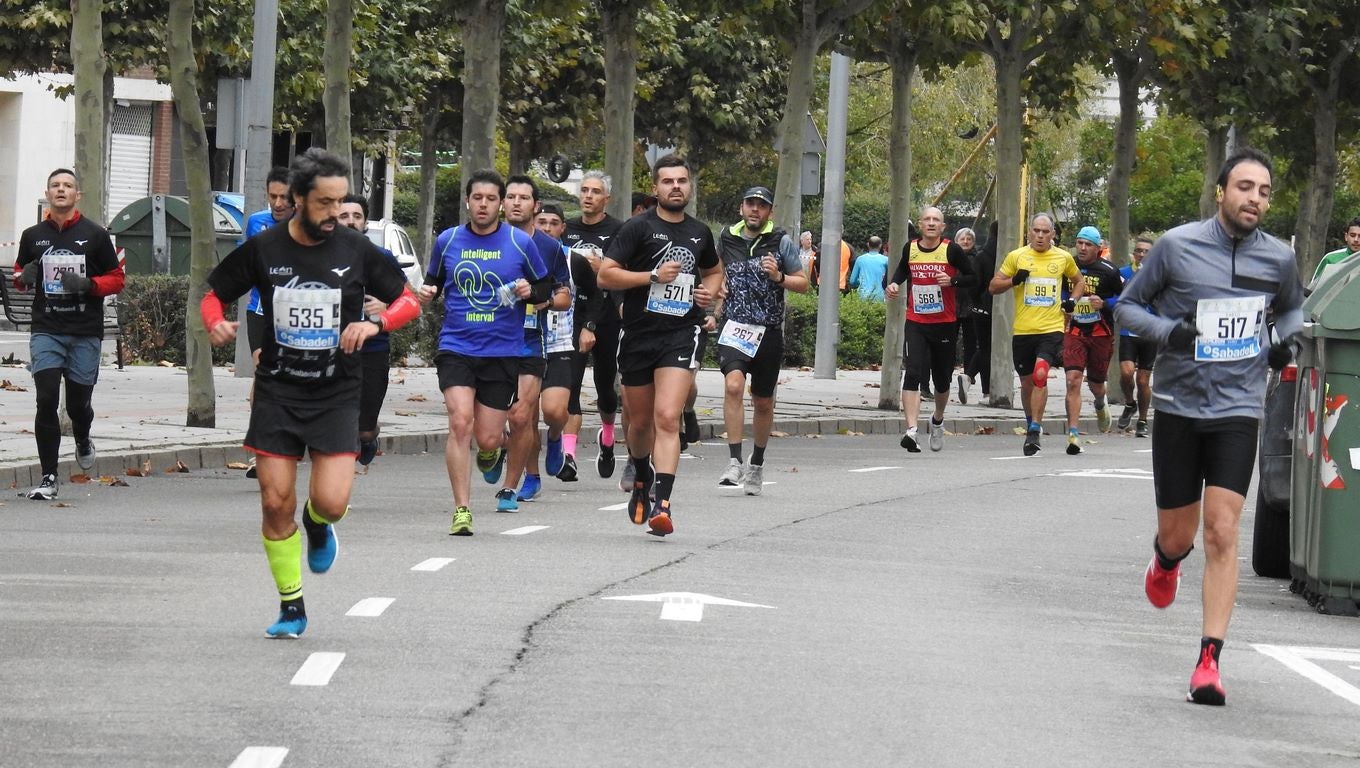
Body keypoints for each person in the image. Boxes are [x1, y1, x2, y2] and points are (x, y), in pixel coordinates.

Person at [202, 148, 420, 638]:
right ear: (298, 199)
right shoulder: (266, 248)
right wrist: (215, 323)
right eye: (325, 203)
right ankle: (291, 605)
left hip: (337, 392)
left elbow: (408, 299)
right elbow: (213, 291)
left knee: (333, 501)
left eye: (342, 203)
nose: (335, 214)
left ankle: (319, 523)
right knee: (275, 502)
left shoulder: (357, 249)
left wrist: (376, 322)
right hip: (279, 391)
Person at [1116, 148, 1303, 705]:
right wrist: (1171, 334)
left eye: (1264, 191)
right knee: (1182, 535)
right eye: (1244, 187)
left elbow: (1292, 309)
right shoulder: (1175, 246)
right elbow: (1127, 308)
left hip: (1239, 409)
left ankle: (1208, 661)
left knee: (1223, 531)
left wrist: (1283, 341)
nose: (1254, 199)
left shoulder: (1279, 259)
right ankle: (1166, 559)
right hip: (1177, 404)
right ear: (1221, 191)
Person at [418, 169, 549, 536]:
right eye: (478, 198)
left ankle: (492, 452)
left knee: (488, 438)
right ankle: (462, 509)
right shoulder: (448, 240)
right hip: (456, 346)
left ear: (502, 204)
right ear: (468, 201)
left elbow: (544, 288)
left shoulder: (520, 242)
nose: (484, 205)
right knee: (460, 422)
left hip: (502, 352)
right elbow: (433, 283)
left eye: (492, 199)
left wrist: (529, 292)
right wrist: (427, 293)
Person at [597, 154, 721, 536]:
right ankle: (640, 474)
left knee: (667, 417)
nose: (676, 187)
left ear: (690, 186)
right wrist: (651, 275)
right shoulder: (637, 228)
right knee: (638, 424)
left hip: (680, 334)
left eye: (682, 181)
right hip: (637, 336)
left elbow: (714, 271)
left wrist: (709, 295)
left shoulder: (700, 232)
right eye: (668, 181)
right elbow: (605, 275)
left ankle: (663, 505)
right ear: (656, 188)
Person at [11, 168, 125, 500]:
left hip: (84, 331)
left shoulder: (95, 235)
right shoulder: (33, 235)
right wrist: (26, 275)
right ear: (47, 194)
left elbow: (117, 279)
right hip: (47, 328)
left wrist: (89, 285)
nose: (61, 190)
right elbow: (20, 276)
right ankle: (48, 477)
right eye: (55, 186)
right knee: (45, 399)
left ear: (78, 195)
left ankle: (83, 436)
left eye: (68, 186)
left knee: (78, 406)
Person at [713, 186, 809, 493]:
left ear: (770, 211)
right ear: (741, 207)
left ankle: (756, 463)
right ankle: (733, 461)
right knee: (733, 385)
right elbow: (713, 273)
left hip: (767, 331)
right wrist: (717, 292)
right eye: (750, 204)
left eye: (761, 205)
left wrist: (779, 277)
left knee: (763, 402)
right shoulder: (726, 237)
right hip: (734, 328)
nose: (755, 209)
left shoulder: (780, 241)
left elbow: (803, 283)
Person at [496, 175, 571, 512]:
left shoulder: (549, 247)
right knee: (493, 421)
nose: (515, 203)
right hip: (487, 339)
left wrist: (544, 301)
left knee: (524, 415)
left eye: (523, 198)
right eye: (509, 197)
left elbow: (564, 295)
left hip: (531, 338)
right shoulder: (483, 239)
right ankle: (493, 448)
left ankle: (523, 481)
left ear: (534, 205)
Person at [988, 213, 1084, 456]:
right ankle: (1031, 420)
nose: (1040, 236)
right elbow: (993, 287)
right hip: (1022, 330)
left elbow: (1079, 282)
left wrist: (1072, 301)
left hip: (1050, 330)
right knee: (1027, 383)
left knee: (1041, 373)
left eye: (1045, 232)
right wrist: (1013, 280)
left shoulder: (1062, 258)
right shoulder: (1016, 257)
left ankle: (1034, 428)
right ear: (1029, 232)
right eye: (1036, 231)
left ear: (1053, 234)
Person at [885, 206, 976, 453]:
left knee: (942, 380)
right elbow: (904, 268)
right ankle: (911, 431)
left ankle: (937, 419)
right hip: (916, 321)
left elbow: (972, 276)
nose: (932, 223)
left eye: (936, 220)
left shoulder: (952, 250)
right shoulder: (911, 248)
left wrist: (953, 280)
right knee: (913, 372)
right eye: (927, 219)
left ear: (943, 227)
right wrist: (894, 283)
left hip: (944, 323)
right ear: (920, 224)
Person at [563, 170, 625, 483]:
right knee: (571, 384)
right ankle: (569, 457)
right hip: (573, 316)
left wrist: (604, 269)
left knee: (605, 389)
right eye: (584, 190)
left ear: (606, 198)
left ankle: (608, 436)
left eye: (595, 191)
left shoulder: (618, 230)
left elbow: (623, 274)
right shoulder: (567, 229)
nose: (588, 196)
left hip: (607, 319)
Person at [337, 194, 408, 467]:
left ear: (365, 223)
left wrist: (386, 306)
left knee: (363, 428)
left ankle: (369, 436)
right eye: (344, 216)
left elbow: (408, 299)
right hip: (334, 347)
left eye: (357, 216)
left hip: (373, 348)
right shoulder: (320, 256)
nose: (351, 222)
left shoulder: (381, 257)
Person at [535, 203, 602, 484]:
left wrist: (588, 327)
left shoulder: (574, 260)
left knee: (558, 408)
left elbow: (596, 294)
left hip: (562, 342)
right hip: (522, 342)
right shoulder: (516, 253)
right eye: (542, 222)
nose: (547, 228)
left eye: (554, 223)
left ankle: (561, 446)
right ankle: (528, 474)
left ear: (563, 228)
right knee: (522, 412)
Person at [239, 166, 295, 478]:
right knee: (263, 373)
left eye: (283, 197)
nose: (277, 203)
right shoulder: (256, 223)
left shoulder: (305, 226)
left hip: (294, 316)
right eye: (272, 196)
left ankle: (283, 442)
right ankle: (262, 450)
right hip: (260, 311)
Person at [1060, 226, 1123, 454]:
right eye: (1079, 243)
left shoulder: (1109, 271)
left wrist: (1105, 304)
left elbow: (1125, 297)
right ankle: (1073, 434)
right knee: (1072, 379)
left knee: (1096, 382)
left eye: (1088, 245)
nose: (1083, 248)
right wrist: (1065, 303)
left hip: (1101, 332)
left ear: (1098, 248)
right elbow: (1062, 292)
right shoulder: (1068, 265)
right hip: (1074, 331)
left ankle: (1099, 401)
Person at [1117, 236, 1156, 437]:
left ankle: (1142, 420)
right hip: (1128, 332)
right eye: (1138, 250)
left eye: (1146, 251)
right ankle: (1129, 403)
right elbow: (1114, 297)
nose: (1141, 254)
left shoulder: (1160, 276)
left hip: (1149, 333)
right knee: (1126, 372)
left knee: (1143, 380)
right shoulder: (1123, 273)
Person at [965, 221, 999, 401]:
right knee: (991, 348)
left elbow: (974, 284)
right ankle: (984, 388)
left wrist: (976, 299)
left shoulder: (982, 256)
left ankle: (972, 378)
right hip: (1001, 309)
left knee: (985, 346)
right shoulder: (1010, 256)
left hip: (980, 308)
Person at [952, 227, 978, 403]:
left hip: (970, 306)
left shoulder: (977, 259)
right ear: (956, 241)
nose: (966, 241)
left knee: (971, 343)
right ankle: (946, 373)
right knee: (948, 342)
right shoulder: (951, 258)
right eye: (963, 239)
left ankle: (968, 375)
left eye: (969, 239)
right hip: (953, 305)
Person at [1309, 216, 1360, 289]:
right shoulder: (1330, 259)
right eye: (1352, 235)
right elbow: (1313, 291)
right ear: (1346, 236)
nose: (1356, 239)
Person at [848, 236, 889, 301]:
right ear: (880, 246)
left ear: (868, 245)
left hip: (863, 296)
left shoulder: (860, 259)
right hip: (880, 297)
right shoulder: (886, 260)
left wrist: (860, 282)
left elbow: (852, 281)